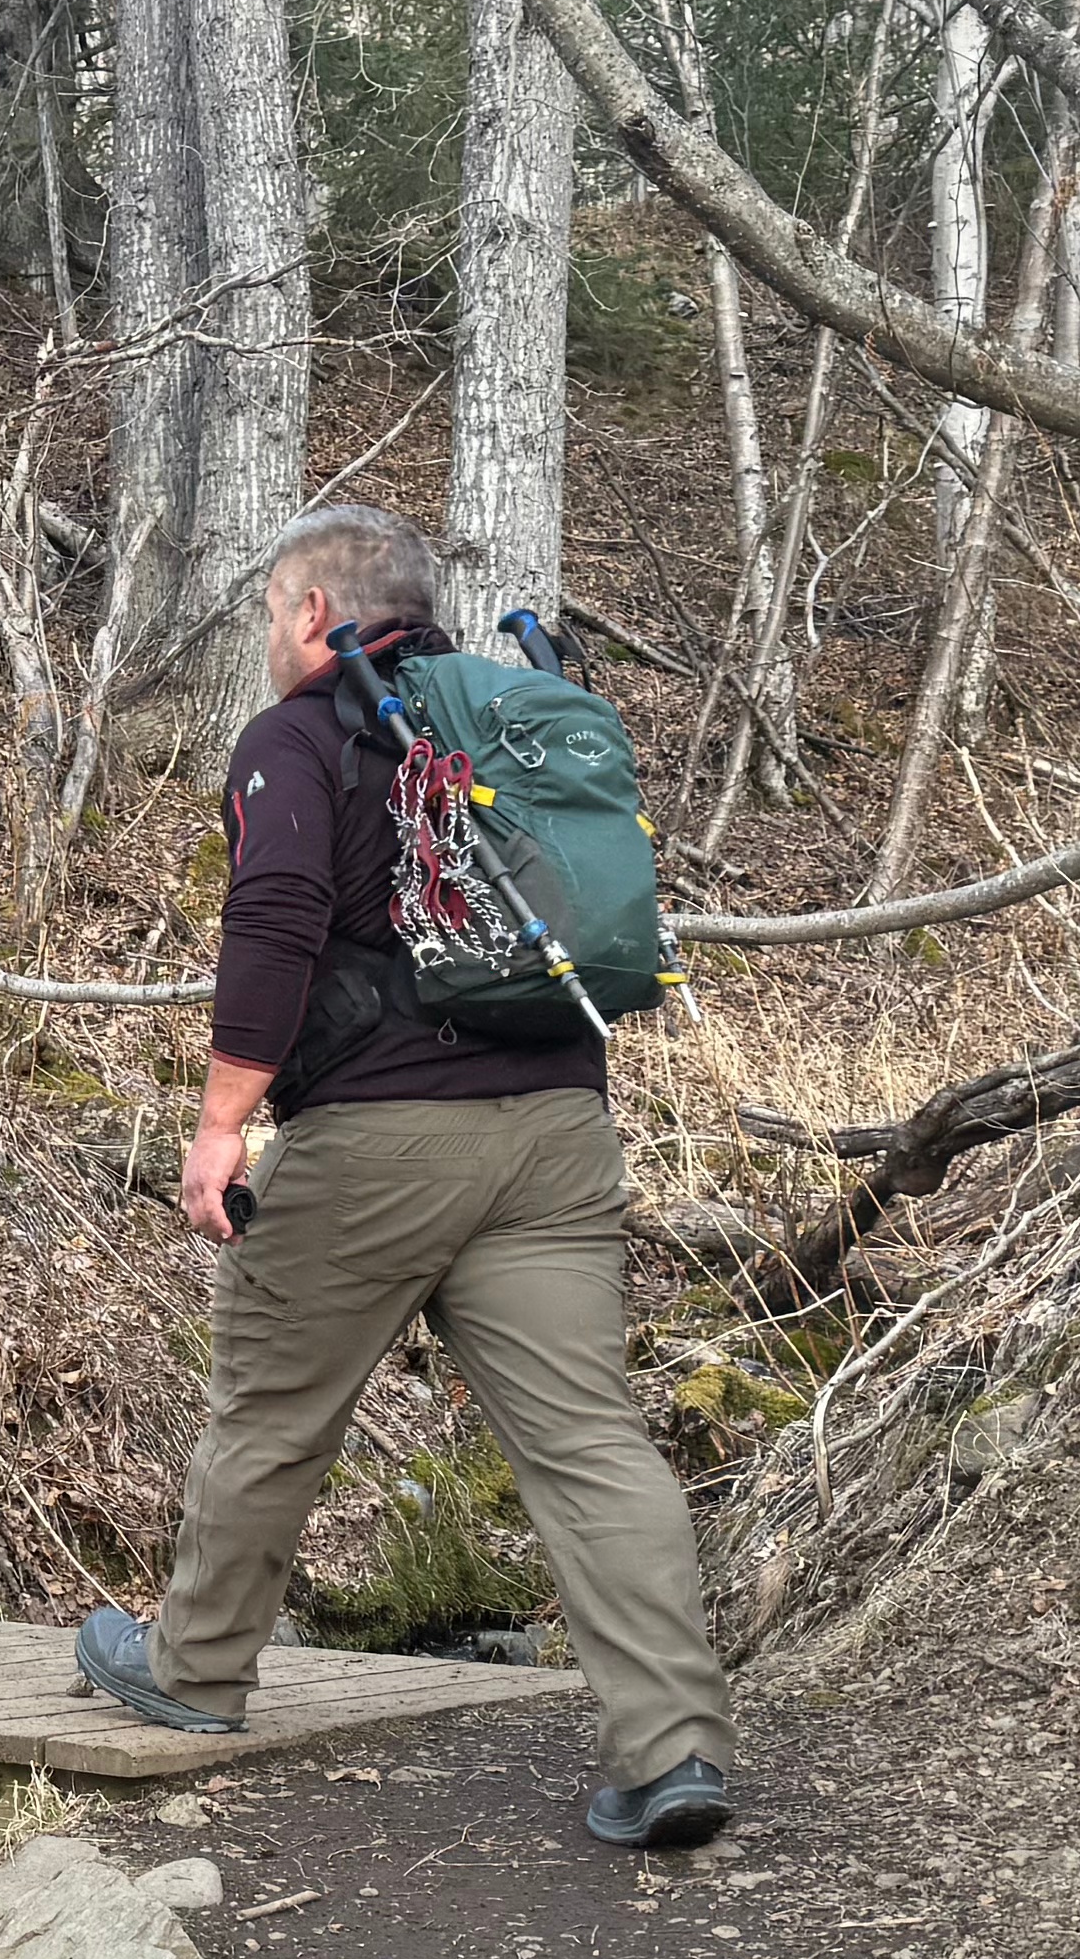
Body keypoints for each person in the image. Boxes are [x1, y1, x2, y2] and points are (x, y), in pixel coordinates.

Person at [71, 502, 742, 1850]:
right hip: (559, 1131)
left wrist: (220, 1124)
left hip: (381, 1141)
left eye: (272, 618)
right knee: (589, 1442)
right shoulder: (516, 711)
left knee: (272, 1404)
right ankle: (671, 1753)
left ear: (317, 614)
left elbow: (274, 919)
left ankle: (194, 1673)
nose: (271, 644)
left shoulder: (303, 736)